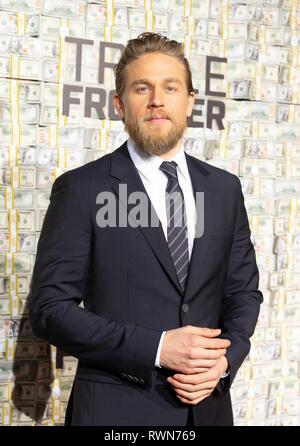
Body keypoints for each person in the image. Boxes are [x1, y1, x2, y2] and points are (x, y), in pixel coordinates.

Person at [28, 32, 263, 426]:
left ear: (190, 102)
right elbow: (49, 310)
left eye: (171, 87)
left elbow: (243, 292)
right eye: (143, 88)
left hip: (207, 409)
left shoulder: (224, 189)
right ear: (120, 104)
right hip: (114, 413)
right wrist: (157, 348)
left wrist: (222, 362)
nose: (157, 99)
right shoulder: (82, 189)